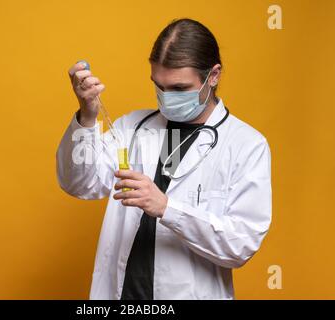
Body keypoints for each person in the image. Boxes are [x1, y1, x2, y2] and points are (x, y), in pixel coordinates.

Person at [57, 18, 272, 300]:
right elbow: (79, 184)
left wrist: (167, 208)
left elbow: (240, 244)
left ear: (214, 75)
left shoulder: (246, 145)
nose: (166, 98)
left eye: (179, 89)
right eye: (159, 86)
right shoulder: (132, 127)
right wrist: (87, 115)